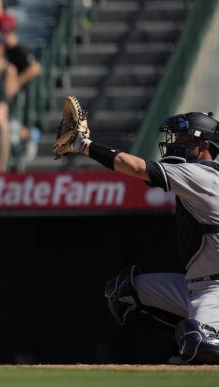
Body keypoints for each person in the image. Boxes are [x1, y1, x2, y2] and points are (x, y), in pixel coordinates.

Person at [62, 107, 219, 364]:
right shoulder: (199, 175)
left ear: (203, 145)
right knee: (122, 292)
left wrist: (81, 144)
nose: (174, 143)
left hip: (215, 290)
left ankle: (201, 338)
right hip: (193, 286)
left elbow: (134, 167)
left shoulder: (202, 174)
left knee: (197, 341)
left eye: (182, 138)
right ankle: (189, 340)